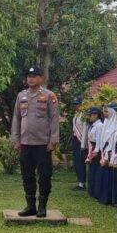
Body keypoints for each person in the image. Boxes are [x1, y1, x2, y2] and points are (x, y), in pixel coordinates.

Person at [11, 67, 60, 218]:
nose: (31, 79)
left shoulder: (49, 95)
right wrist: (16, 139)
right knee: (27, 176)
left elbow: (54, 119)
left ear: (41, 78)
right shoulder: (21, 96)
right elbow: (16, 118)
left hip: (43, 144)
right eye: (29, 76)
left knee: (44, 176)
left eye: (34, 76)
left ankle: (42, 207)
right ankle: (30, 206)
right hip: (25, 143)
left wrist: (53, 140)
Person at [97, 103, 117, 205]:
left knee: (109, 176)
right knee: (104, 176)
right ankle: (103, 196)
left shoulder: (116, 124)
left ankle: (109, 198)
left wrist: (107, 157)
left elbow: (112, 142)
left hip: (111, 153)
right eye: (104, 111)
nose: (104, 113)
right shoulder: (106, 122)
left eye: (106, 111)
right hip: (104, 151)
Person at [84, 107, 103, 199]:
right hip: (92, 147)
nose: (90, 117)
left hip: (96, 149)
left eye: (91, 115)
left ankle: (96, 192)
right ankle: (91, 191)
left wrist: (96, 151)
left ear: (96, 115)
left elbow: (99, 139)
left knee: (96, 172)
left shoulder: (99, 126)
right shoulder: (93, 125)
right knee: (92, 171)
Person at [70, 97, 88, 191]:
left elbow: (85, 131)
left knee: (81, 162)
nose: (76, 106)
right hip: (75, 139)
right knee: (76, 161)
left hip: (81, 141)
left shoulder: (84, 116)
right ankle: (80, 181)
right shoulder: (76, 115)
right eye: (74, 104)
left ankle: (82, 182)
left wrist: (83, 144)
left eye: (77, 104)